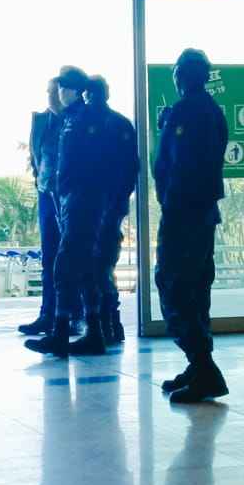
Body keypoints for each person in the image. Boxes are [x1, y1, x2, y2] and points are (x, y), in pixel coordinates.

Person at [153, 49, 230, 403]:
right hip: (198, 213)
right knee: (195, 287)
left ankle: (203, 366)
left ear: (182, 75)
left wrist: (171, 203)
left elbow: (180, 166)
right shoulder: (209, 110)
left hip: (185, 213)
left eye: (177, 72)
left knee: (176, 284)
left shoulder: (190, 111)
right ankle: (199, 365)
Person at [26, 66, 108, 357]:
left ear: (71, 90)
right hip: (69, 200)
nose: (57, 94)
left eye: (60, 88)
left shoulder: (83, 120)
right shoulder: (75, 118)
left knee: (69, 266)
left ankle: (67, 332)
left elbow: (85, 165)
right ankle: (82, 331)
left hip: (80, 202)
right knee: (77, 267)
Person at [84, 75, 137, 346]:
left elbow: (130, 169)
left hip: (98, 207)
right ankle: (110, 324)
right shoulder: (120, 123)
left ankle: (107, 324)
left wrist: (113, 200)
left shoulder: (92, 124)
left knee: (98, 266)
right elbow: (132, 170)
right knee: (103, 265)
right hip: (109, 206)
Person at [19, 77, 65, 336]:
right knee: (49, 257)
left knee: (74, 257)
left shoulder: (75, 119)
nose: (49, 95)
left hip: (72, 197)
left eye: (53, 91)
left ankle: (74, 316)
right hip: (46, 194)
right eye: (47, 91)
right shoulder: (40, 121)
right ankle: (48, 314)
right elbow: (37, 157)